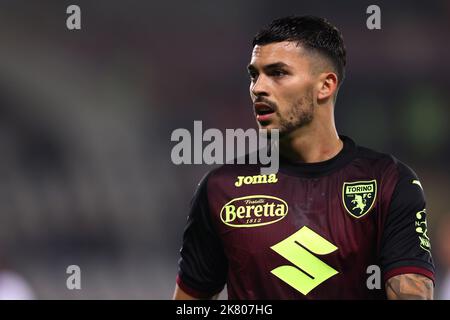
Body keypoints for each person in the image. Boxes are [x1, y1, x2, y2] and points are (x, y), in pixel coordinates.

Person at [173, 16, 434, 299]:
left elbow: (412, 293)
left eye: (278, 73)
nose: (258, 88)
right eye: (254, 75)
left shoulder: (389, 181)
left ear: (325, 86)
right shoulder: (220, 188)